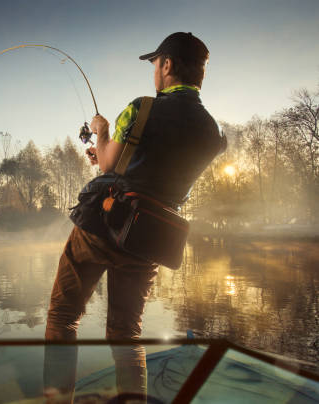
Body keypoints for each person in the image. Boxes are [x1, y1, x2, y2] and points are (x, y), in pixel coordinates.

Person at [43, 32, 227, 401]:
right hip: (150, 240)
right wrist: (112, 160)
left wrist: (102, 133)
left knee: (63, 317)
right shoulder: (213, 132)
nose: (154, 72)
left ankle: (57, 399)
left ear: (168, 65)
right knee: (126, 333)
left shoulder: (142, 108)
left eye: (155, 64)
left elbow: (109, 164)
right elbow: (158, 175)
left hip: (102, 229)